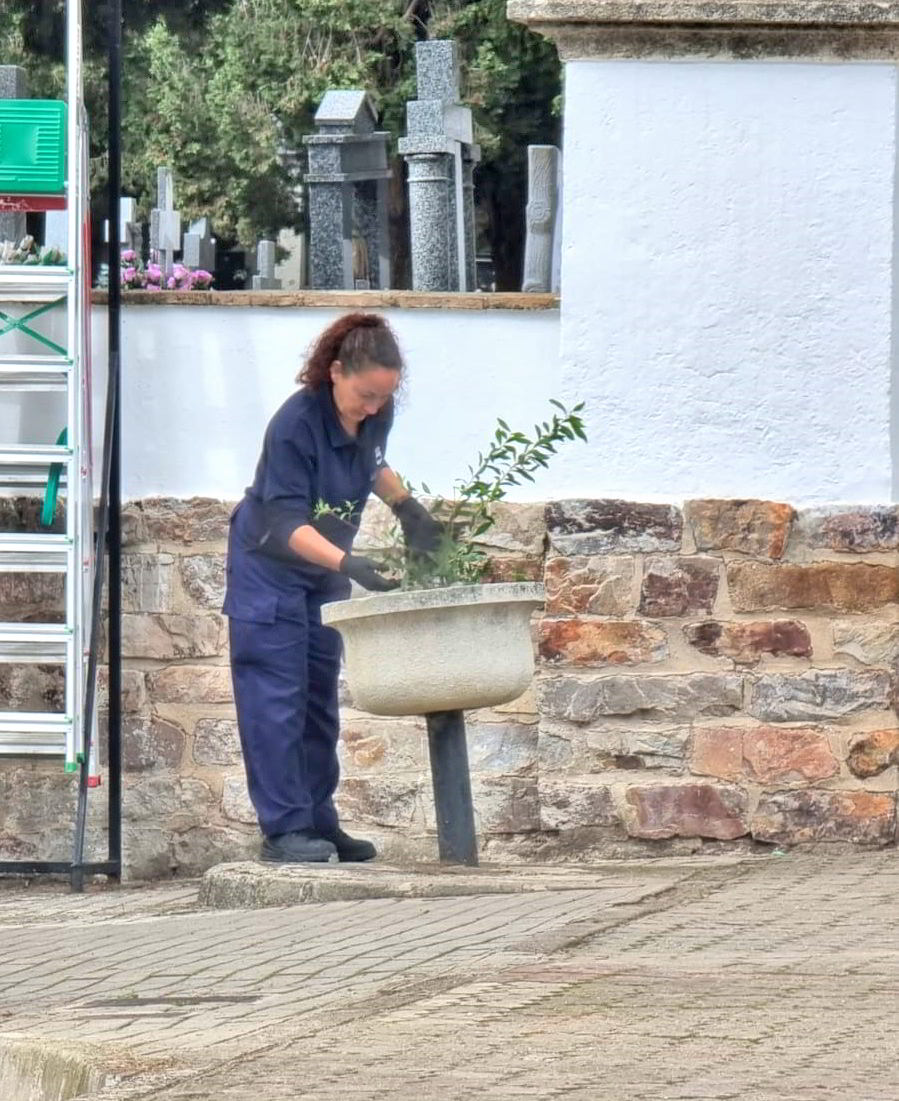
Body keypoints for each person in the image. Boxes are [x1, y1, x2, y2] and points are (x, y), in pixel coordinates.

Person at [223, 313, 441, 864]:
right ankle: (284, 829)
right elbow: (286, 524)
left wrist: (408, 508)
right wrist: (352, 563)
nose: (372, 409)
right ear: (337, 372)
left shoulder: (374, 412)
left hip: (321, 571)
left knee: (319, 700)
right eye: (364, 395)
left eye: (382, 399)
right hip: (268, 570)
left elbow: (372, 464)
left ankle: (319, 819)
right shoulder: (295, 425)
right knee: (276, 700)